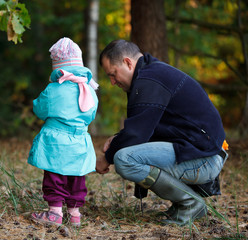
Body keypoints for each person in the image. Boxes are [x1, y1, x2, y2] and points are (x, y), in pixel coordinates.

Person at [96, 39, 228, 226]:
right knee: (128, 153)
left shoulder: (149, 80)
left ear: (127, 62)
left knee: (124, 159)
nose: (112, 82)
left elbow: (137, 135)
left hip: (204, 160)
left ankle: (190, 204)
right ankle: (182, 204)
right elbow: (148, 126)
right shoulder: (153, 74)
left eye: (113, 74)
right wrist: (119, 137)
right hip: (202, 153)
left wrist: (107, 157)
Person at [28, 37, 99, 227]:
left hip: (56, 142)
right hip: (79, 140)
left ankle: (54, 213)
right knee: (77, 178)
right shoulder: (90, 90)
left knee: (55, 175)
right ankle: (74, 215)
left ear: (57, 67)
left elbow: (40, 109)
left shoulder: (53, 89)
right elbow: (91, 114)